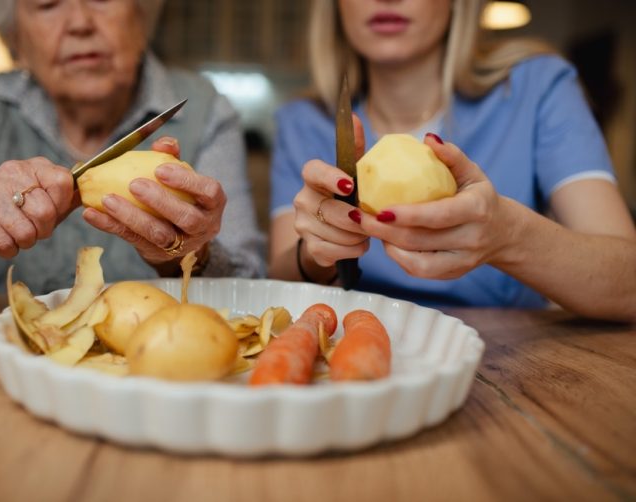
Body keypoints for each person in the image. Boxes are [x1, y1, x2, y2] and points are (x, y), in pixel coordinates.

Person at [0, 0, 265, 305]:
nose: (79, 23)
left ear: (141, 14)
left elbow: (250, 287)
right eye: (47, 3)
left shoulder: (206, 109)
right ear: (14, 36)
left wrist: (187, 254)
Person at [268, 0, 636, 322]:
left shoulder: (537, 87)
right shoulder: (305, 120)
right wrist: (319, 251)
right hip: (357, 341)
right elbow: (279, 287)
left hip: (511, 363)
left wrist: (508, 236)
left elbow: (629, 286)